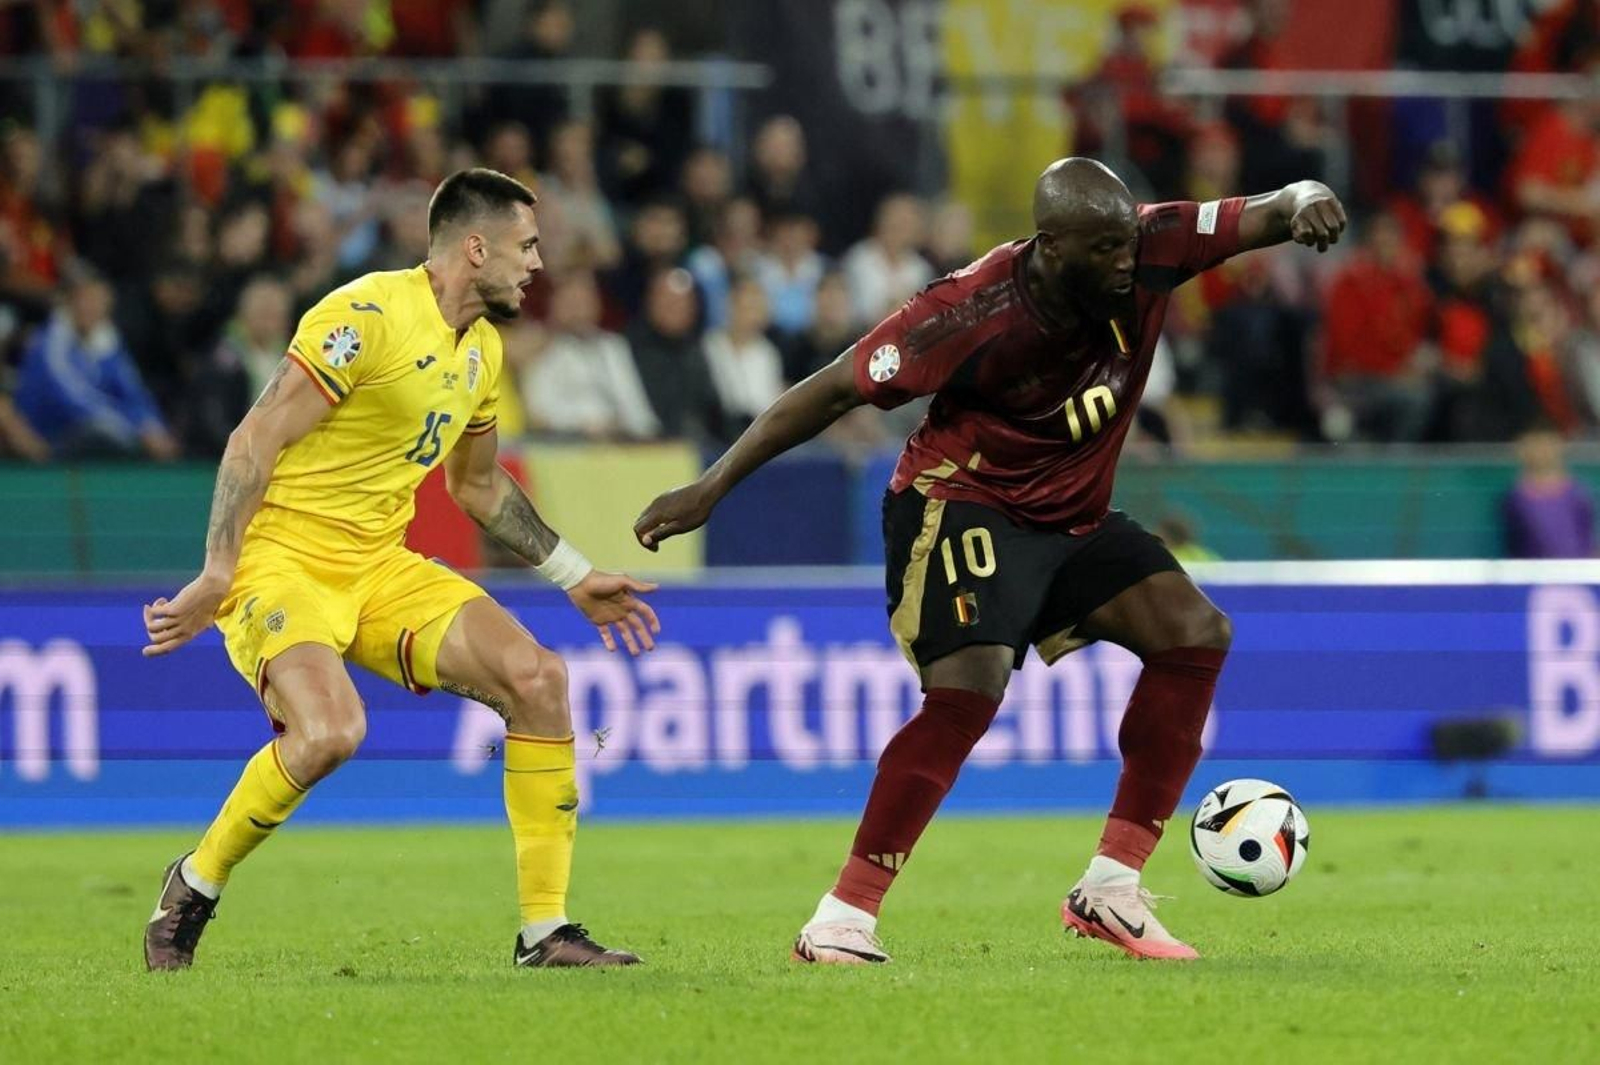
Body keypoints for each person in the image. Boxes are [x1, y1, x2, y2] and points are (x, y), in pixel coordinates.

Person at [635, 157, 1345, 963]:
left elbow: (1271, 207)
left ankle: (1111, 887)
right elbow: (832, 388)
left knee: (1194, 634)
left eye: (1127, 243)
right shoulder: (966, 312)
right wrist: (711, 486)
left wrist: (1308, 199)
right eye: (1106, 250)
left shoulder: (1153, 242)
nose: (1126, 262)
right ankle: (842, 915)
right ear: (1052, 245)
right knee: (969, 690)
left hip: (1071, 515)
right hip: (958, 503)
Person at [140, 169, 660, 972]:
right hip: (284, 559)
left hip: (379, 563)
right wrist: (218, 571)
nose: (537, 264)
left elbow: (477, 485)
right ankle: (194, 882)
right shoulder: (367, 315)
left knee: (539, 679)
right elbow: (254, 438)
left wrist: (573, 572)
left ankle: (544, 931)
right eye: (526, 246)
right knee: (331, 733)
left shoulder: (482, 349)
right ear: (474, 246)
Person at [1503, 425, 1595, 559]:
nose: (1542, 451)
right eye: (1536, 444)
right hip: (1532, 574)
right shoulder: (1514, 499)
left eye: (1547, 444)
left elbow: (1587, 537)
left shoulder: (1580, 495)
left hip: (1577, 573)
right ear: (1521, 449)